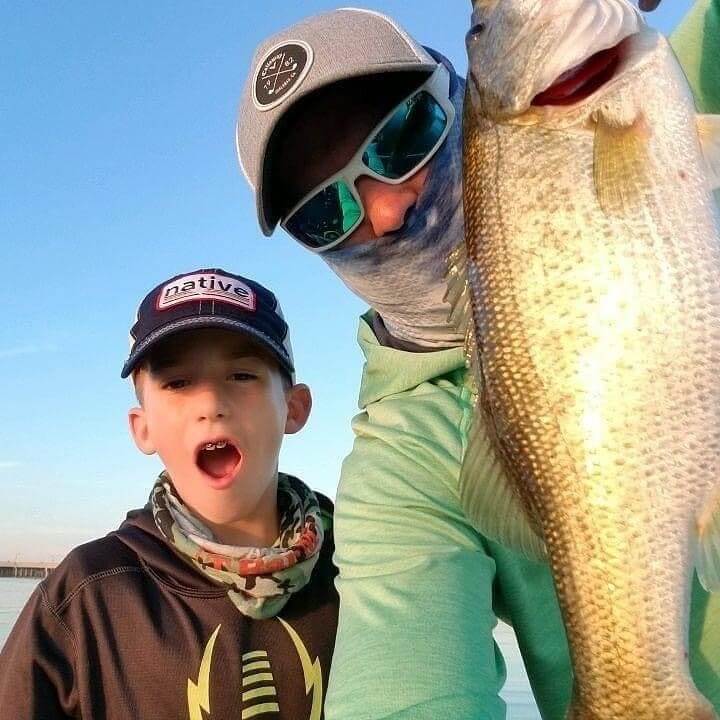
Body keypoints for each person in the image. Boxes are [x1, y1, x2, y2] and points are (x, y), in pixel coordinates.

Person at [235, 3, 720, 719]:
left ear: (462, 98)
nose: (390, 210)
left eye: (403, 136)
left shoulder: (676, 80)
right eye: (325, 212)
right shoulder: (397, 475)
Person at [0, 268, 338, 719]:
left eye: (241, 375)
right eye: (178, 383)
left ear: (293, 409)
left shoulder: (365, 562)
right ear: (143, 429)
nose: (210, 403)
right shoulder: (87, 597)